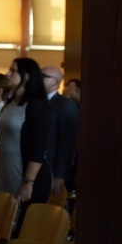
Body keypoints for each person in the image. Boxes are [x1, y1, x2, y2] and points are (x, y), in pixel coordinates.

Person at [0, 58, 51, 208]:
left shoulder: (36, 106)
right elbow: (3, 142)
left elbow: (38, 148)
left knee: (21, 222)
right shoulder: (10, 104)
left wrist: (29, 182)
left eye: (13, 71)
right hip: (7, 171)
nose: (8, 74)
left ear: (27, 76)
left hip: (27, 175)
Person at [41, 66, 79, 198]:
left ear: (56, 83)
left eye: (44, 76)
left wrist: (59, 174)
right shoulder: (35, 102)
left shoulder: (65, 105)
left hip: (52, 168)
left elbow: (67, 143)